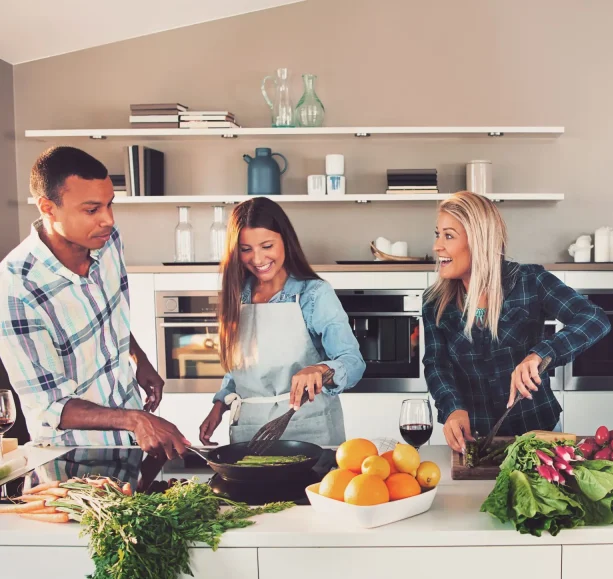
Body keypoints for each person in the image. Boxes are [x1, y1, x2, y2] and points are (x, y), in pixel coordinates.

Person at [0, 146, 189, 456]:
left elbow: (109, 313)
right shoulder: (16, 287)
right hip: (72, 456)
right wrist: (135, 419)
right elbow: (49, 406)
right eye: (92, 210)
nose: (108, 220)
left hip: (130, 439)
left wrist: (138, 359)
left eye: (109, 205)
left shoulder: (108, 242)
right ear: (48, 207)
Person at [423, 191, 610, 453]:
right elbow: (436, 364)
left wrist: (539, 354)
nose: (436, 246)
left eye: (449, 236)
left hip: (537, 432)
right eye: (437, 234)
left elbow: (594, 319)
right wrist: (452, 408)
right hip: (473, 440)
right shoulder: (435, 302)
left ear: (479, 240)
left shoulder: (530, 281)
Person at [198, 198, 365, 445]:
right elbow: (242, 369)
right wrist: (220, 404)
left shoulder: (314, 294)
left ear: (285, 240)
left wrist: (320, 369)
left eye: (267, 245)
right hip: (249, 431)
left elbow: (353, 363)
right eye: (246, 249)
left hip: (311, 431)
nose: (257, 258)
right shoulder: (237, 295)